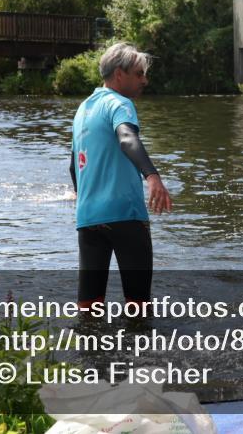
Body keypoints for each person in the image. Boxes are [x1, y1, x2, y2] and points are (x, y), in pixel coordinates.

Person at [70, 42, 172, 309]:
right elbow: (127, 138)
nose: (145, 80)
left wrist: (85, 198)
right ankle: (139, 350)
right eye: (139, 74)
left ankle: (90, 351)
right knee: (138, 307)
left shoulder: (83, 110)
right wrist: (152, 176)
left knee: (89, 307)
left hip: (88, 219)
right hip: (125, 215)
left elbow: (74, 167)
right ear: (119, 74)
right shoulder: (120, 103)